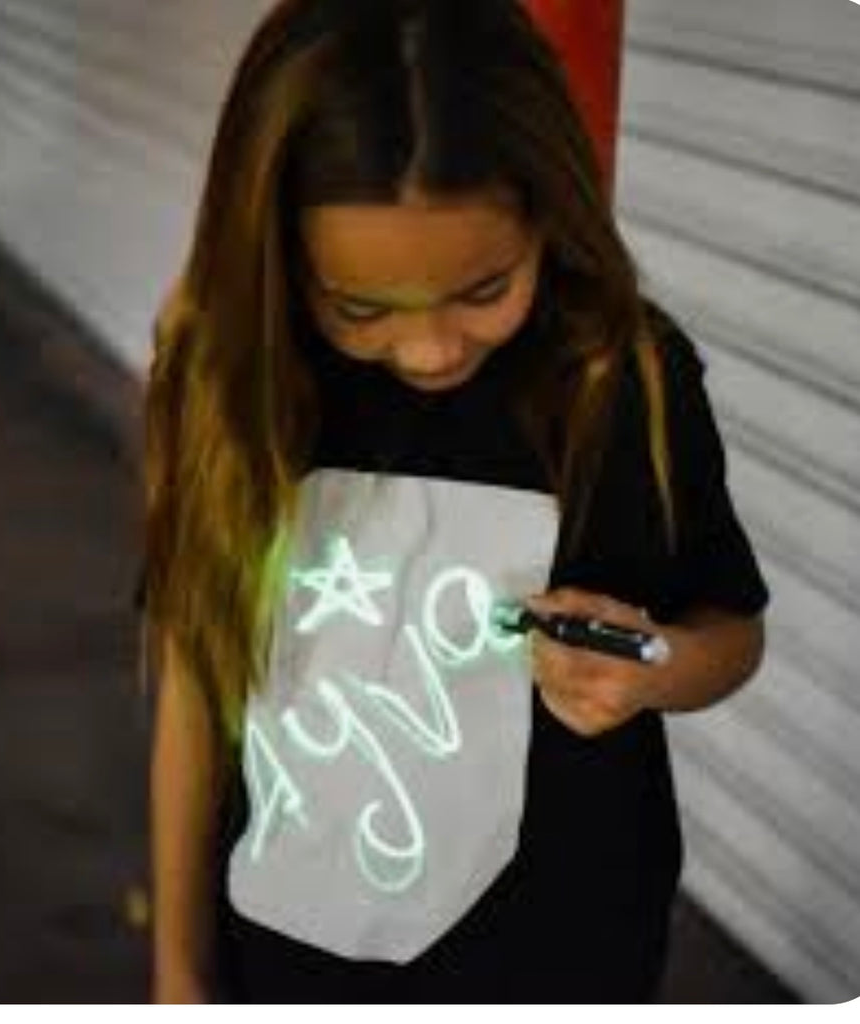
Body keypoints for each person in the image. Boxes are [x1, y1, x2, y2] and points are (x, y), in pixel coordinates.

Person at [139, 0, 769, 1004]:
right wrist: (178, 972)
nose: (430, 349)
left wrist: (653, 665)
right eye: (359, 308)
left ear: (548, 212)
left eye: (483, 290)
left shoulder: (622, 378)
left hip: (562, 958)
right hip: (288, 951)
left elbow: (729, 631)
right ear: (277, 254)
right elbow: (192, 672)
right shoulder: (231, 378)